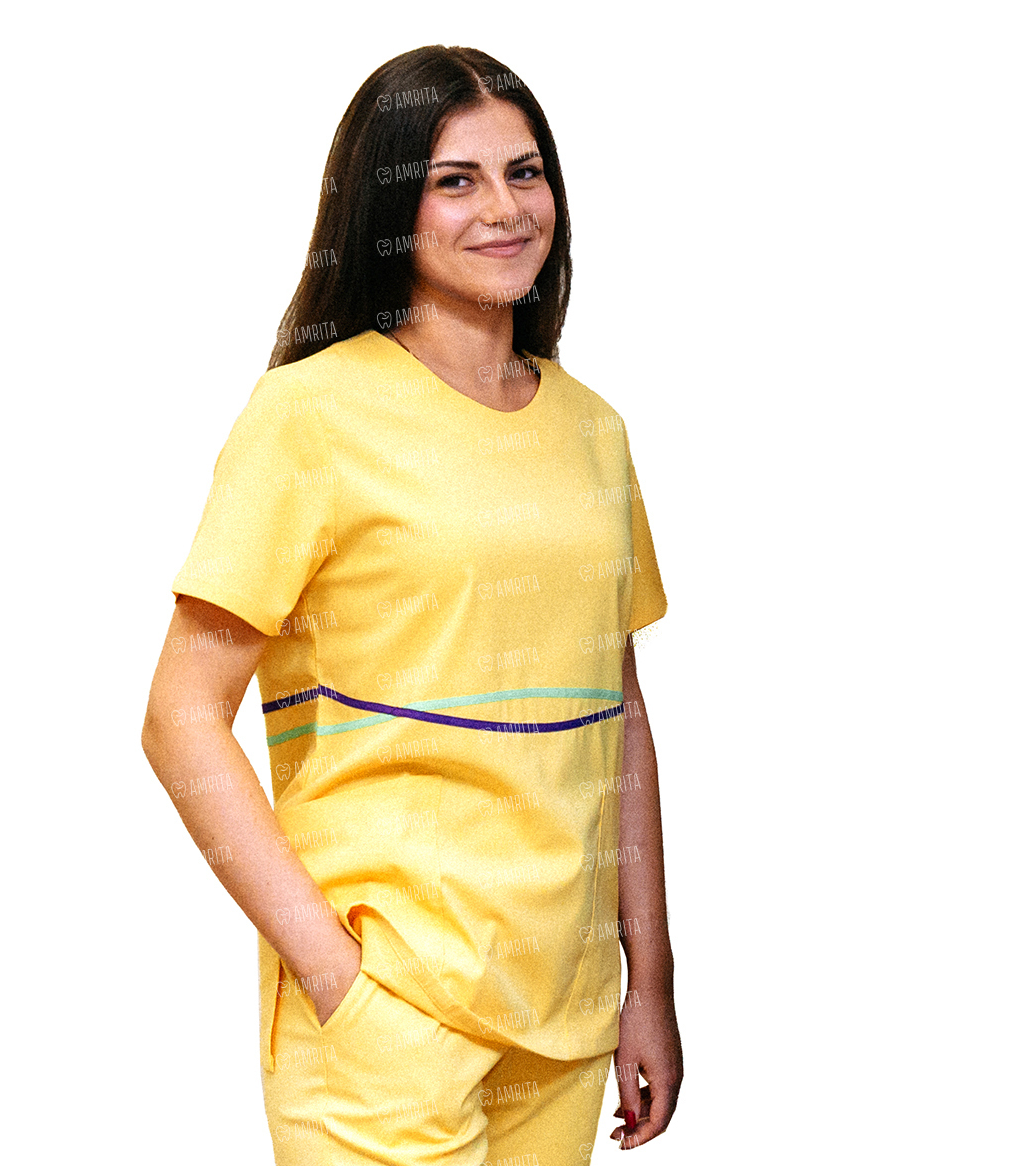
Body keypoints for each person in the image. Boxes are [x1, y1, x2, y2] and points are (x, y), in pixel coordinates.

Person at [142, 44, 683, 1165]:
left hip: (566, 1016)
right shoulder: (310, 417)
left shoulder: (594, 429)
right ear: (389, 202)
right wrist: (333, 973)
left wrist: (651, 981)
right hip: (389, 1013)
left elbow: (618, 710)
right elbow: (179, 716)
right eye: (455, 181)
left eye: (524, 172)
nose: (505, 208)